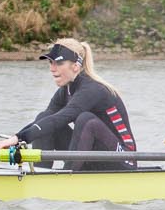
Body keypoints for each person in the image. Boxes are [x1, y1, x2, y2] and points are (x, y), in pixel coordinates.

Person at [7, 38, 137, 162]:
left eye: (59, 63)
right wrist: (15, 139)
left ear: (75, 66)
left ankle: (68, 175)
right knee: (44, 117)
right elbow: (46, 121)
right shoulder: (65, 90)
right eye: (50, 62)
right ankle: (41, 173)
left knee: (86, 120)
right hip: (94, 153)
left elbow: (60, 118)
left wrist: (18, 139)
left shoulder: (92, 89)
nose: (52, 69)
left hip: (123, 157)